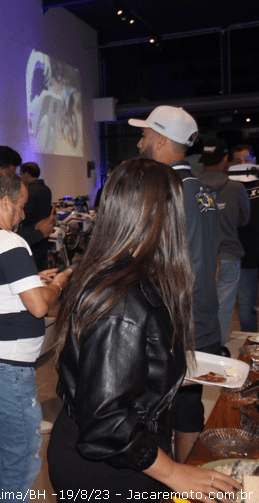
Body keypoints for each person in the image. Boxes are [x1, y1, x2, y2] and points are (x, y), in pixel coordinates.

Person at [47, 158, 241, 503]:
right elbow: (106, 423)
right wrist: (175, 473)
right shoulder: (120, 300)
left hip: (125, 451)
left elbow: (119, 372)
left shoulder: (126, 275)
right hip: (105, 471)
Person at [0, 169, 71, 502]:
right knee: (20, 458)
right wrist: (57, 284)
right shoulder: (8, 242)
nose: (22, 214)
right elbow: (39, 307)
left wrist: (34, 279)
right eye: (20, 205)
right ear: (5, 202)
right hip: (6, 367)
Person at [129, 105, 219, 462]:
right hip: (202, 318)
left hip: (170, 323)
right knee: (188, 406)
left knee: (157, 408)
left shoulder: (164, 192)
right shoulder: (203, 191)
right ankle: (187, 479)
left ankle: (170, 480)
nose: (140, 143)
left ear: (162, 140)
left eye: (145, 135)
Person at [196, 138, 250, 344]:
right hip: (228, 254)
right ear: (225, 159)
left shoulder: (191, 186)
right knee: (224, 311)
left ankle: (199, 352)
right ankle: (217, 352)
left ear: (201, 158)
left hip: (199, 258)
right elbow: (243, 220)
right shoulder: (236, 188)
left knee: (197, 311)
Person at [230, 144, 259, 332]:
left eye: (246, 160)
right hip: (244, 257)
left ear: (254, 161)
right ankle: (252, 344)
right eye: (238, 161)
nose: (242, 164)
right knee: (246, 306)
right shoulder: (229, 187)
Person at [18, 162, 55, 270]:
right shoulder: (46, 189)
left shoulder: (29, 191)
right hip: (44, 235)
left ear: (26, 174)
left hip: (31, 236)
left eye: (21, 174)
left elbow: (26, 216)